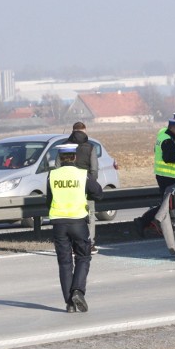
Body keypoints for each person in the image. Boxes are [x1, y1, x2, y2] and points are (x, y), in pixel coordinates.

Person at [46, 144, 103, 313]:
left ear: (60, 158)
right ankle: (78, 291)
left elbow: (48, 200)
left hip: (58, 222)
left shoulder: (52, 175)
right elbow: (99, 193)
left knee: (64, 262)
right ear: (75, 157)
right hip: (78, 221)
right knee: (83, 257)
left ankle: (69, 303)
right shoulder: (82, 175)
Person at [134, 117, 175, 237]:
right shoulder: (168, 140)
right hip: (168, 177)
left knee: (168, 204)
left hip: (164, 176)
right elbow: (168, 158)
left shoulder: (163, 136)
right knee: (166, 205)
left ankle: (151, 223)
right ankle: (143, 221)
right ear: (173, 127)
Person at [56, 122, 100, 254]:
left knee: (70, 215)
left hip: (67, 188)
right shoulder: (90, 147)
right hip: (85, 186)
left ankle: (72, 244)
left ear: (73, 131)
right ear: (84, 131)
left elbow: (57, 168)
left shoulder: (64, 146)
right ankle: (90, 243)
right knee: (90, 214)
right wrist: (90, 185)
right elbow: (94, 170)